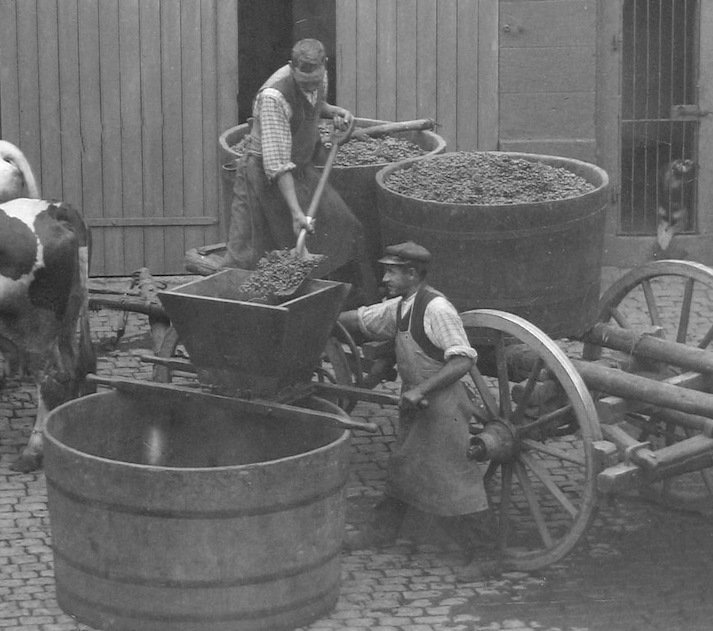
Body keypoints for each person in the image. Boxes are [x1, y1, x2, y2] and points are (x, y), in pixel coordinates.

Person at [338, 241, 496, 565]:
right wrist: (322, 314)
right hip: (418, 403)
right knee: (404, 466)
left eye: (392, 272)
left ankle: (486, 556)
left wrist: (421, 389)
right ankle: (382, 531)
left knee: (454, 478)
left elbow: (462, 360)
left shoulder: (437, 310)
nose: (385, 278)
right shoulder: (401, 306)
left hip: (445, 407)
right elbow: (364, 319)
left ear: (412, 274)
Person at [186, 38, 377, 300]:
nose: (311, 86)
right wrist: (297, 213)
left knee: (345, 227)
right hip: (263, 175)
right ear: (291, 67)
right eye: (304, 82)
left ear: (324, 64)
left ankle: (341, 305)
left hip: (301, 167)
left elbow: (312, 103)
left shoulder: (318, 75)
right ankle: (240, 313)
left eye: (315, 81)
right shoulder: (273, 97)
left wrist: (334, 111)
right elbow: (277, 165)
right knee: (248, 253)